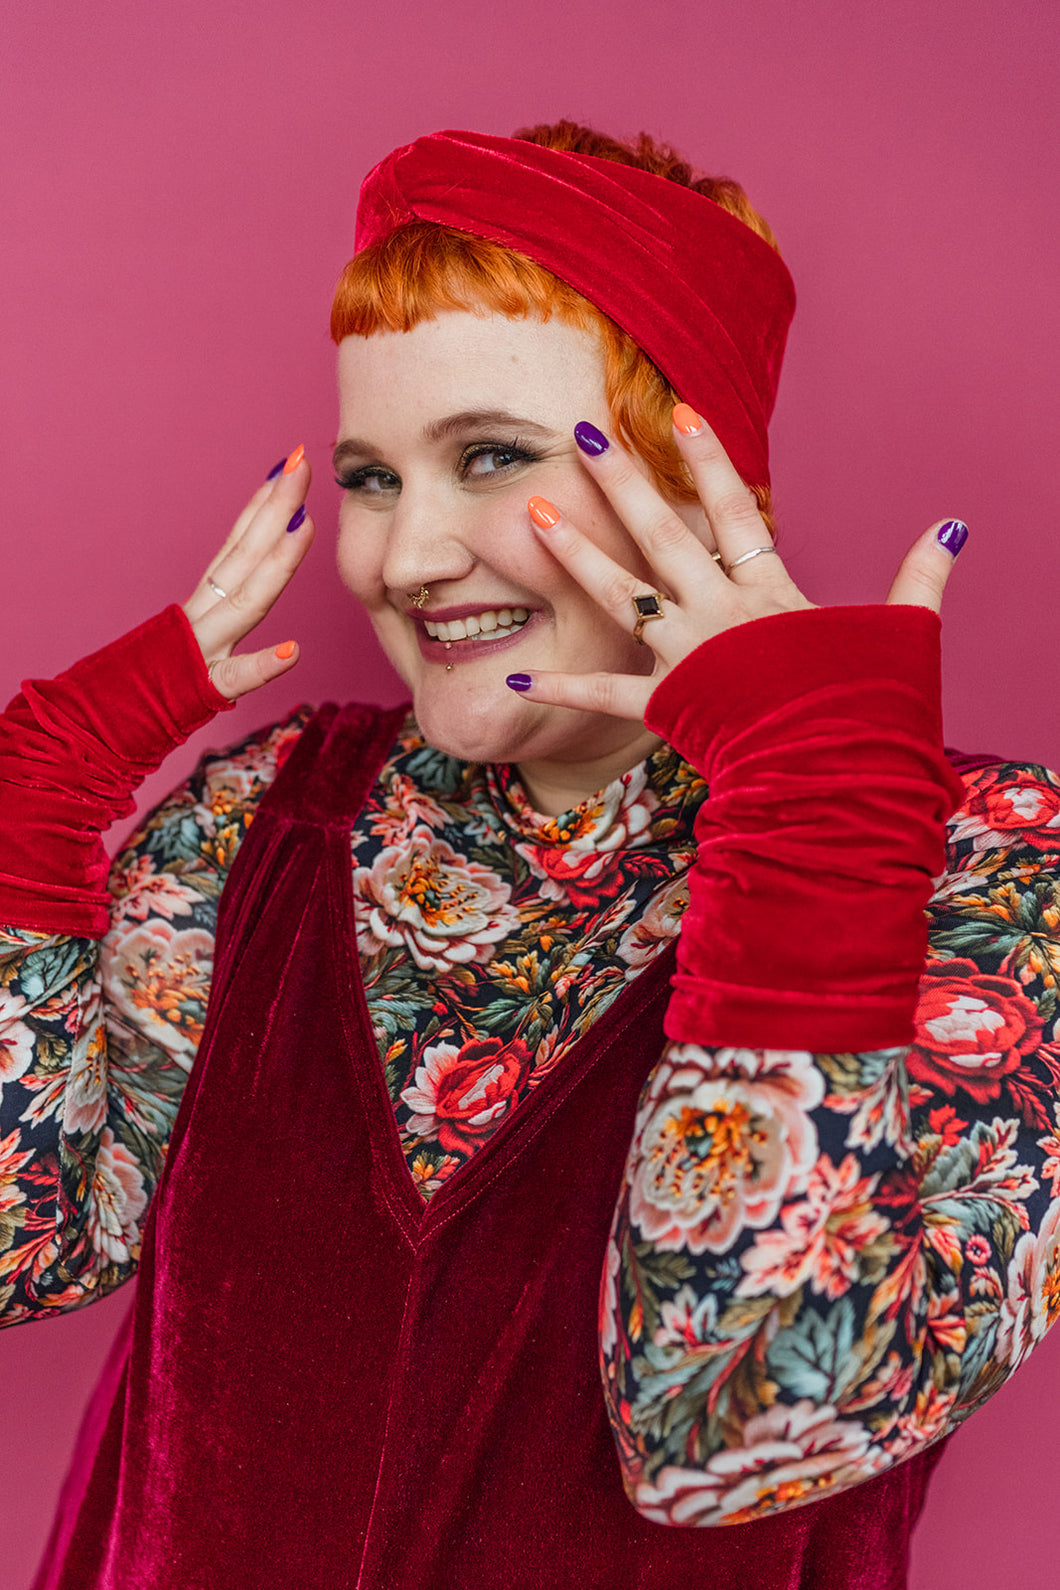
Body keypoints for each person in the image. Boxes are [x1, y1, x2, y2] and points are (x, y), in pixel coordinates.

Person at [2, 120, 1059, 1590]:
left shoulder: (983, 865)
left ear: (701, 484)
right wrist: (36, 798)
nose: (406, 555)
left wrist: (817, 806)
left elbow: (724, 1436)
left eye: (489, 456)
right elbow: (22, 1245)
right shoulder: (269, 811)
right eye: (371, 476)